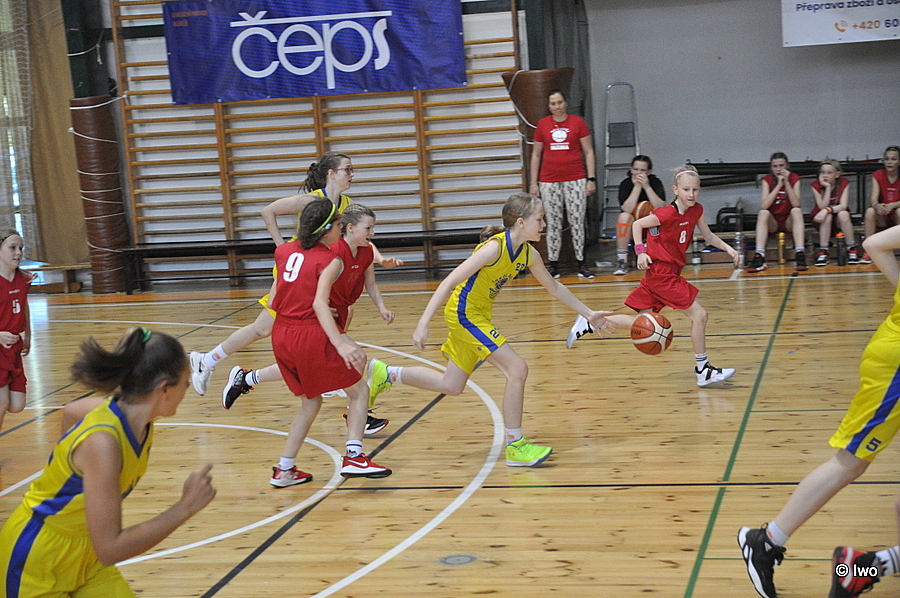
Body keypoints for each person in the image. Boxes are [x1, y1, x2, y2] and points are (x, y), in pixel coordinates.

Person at [365, 193, 616, 467]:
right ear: (521, 222)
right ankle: (515, 446)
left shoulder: (528, 253)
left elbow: (554, 287)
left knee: (451, 385)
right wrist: (423, 323)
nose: (544, 225)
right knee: (517, 369)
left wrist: (588, 314)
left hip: (478, 315)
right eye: (540, 219)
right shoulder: (494, 249)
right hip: (464, 315)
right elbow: (448, 281)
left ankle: (387, 374)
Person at [737, 224, 900, 598]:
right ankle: (767, 541)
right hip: (895, 367)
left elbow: (875, 243)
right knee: (849, 461)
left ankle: (863, 569)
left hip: (889, 348)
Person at [189, 153, 400, 433]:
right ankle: (208, 360)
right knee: (264, 328)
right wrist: (283, 249)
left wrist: (381, 259)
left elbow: (360, 236)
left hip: (320, 271)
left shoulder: (346, 204)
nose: (352, 174)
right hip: (298, 270)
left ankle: (349, 402)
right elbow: (268, 211)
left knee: (323, 338)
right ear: (331, 174)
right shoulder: (312, 199)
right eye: (347, 169)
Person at [0, 328, 216, 597]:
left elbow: (70, 412)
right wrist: (185, 508)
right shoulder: (103, 443)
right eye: (185, 381)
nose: (187, 388)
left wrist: (70, 471)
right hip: (38, 558)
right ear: (164, 389)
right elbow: (110, 549)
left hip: (86, 552)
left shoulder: (134, 416)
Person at [223, 204, 395, 436]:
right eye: (368, 228)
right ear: (350, 228)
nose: (372, 233)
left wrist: (382, 307)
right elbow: (305, 282)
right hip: (316, 317)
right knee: (350, 360)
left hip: (337, 313)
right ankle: (357, 417)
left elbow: (370, 283)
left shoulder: (365, 251)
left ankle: (247, 378)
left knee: (311, 366)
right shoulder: (331, 251)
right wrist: (315, 306)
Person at [566, 165, 738, 387]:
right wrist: (640, 251)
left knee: (641, 321)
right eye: (686, 190)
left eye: (695, 190)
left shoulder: (696, 210)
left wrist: (728, 248)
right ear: (675, 190)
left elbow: (709, 236)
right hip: (662, 275)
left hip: (663, 274)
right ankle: (703, 370)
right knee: (700, 315)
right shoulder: (665, 213)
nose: (691, 194)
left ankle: (590, 322)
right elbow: (637, 224)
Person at [266, 198, 391, 486]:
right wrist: (340, 343)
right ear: (325, 230)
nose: (340, 229)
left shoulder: (284, 251)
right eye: (337, 224)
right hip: (309, 333)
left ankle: (285, 469)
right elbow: (320, 304)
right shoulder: (330, 260)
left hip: (281, 333)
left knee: (311, 402)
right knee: (359, 391)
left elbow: (273, 300)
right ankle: (354, 457)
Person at [528, 89, 597, 279]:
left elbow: (589, 152)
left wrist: (591, 179)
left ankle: (581, 263)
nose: (557, 106)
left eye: (559, 102)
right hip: (549, 180)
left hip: (576, 178)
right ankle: (554, 265)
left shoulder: (578, 122)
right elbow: (536, 154)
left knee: (577, 222)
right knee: (553, 223)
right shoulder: (543, 125)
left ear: (565, 103)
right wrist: (534, 183)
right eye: (553, 103)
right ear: (549, 106)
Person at [745, 152, 808, 273]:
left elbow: (796, 203)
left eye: (781, 165)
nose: (779, 169)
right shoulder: (767, 180)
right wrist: (779, 185)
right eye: (775, 166)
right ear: (771, 168)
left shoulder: (794, 178)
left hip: (789, 221)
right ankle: (759, 255)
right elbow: (764, 205)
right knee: (763, 213)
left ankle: (800, 253)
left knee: (797, 211)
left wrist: (787, 182)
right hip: (773, 222)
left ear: (787, 166)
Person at [613, 155, 666, 275]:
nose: (639, 173)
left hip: (651, 226)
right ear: (631, 170)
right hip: (632, 228)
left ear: (649, 172)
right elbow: (627, 208)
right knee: (624, 217)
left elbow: (661, 207)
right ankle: (622, 260)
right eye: (636, 169)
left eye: (642, 170)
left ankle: (656, 257)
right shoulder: (626, 184)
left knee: (656, 215)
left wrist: (646, 186)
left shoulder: (655, 182)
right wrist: (637, 187)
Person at [0, 230, 31, 434]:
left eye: (20, 248)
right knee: (2, 402)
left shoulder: (24, 279)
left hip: (13, 348)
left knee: (17, 404)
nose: (18, 253)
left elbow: (23, 305)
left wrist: (28, 335)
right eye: (12, 248)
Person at [811, 158, 858, 266]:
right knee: (827, 217)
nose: (825, 175)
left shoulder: (844, 182)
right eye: (822, 172)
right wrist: (827, 187)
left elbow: (843, 205)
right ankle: (824, 250)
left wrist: (827, 210)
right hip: (822, 219)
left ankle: (851, 248)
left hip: (838, 219)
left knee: (843, 213)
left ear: (837, 174)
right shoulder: (815, 185)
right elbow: (822, 206)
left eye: (829, 173)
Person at [861, 145, 900, 264]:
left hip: (896, 213)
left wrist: (893, 205)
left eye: (893, 159)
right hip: (883, 214)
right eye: (886, 159)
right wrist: (877, 206)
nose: (889, 162)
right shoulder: (878, 174)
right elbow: (873, 199)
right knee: (870, 211)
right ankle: (868, 251)